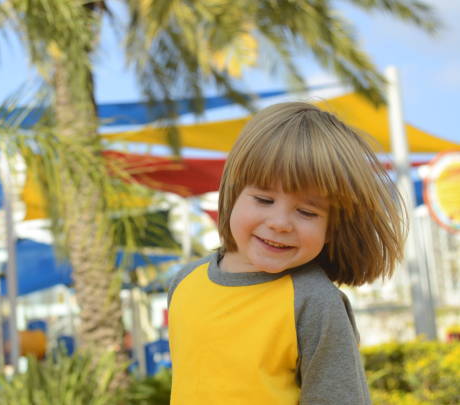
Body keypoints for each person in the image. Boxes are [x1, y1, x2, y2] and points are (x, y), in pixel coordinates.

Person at [167, 102, 406, 404]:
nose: (280, 223)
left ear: (332, 227)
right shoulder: (185, 283)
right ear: (233, 192)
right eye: (264, 199)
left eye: (307, 212)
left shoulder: (313, 301)